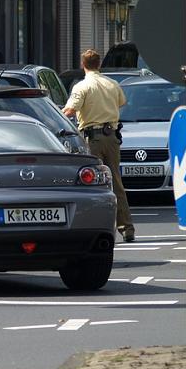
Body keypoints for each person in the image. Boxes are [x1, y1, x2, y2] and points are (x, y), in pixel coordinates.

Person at [63, 49, 135, 242]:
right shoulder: (112, 84)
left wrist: (55, 116)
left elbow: (70, 110)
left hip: (91, 138)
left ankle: (94, 226)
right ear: (99, 64)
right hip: (111, 136)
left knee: (91, 183)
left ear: (82, 65)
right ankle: (127, 228)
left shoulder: (82, 86)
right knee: (116, 183)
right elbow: (122, 102)